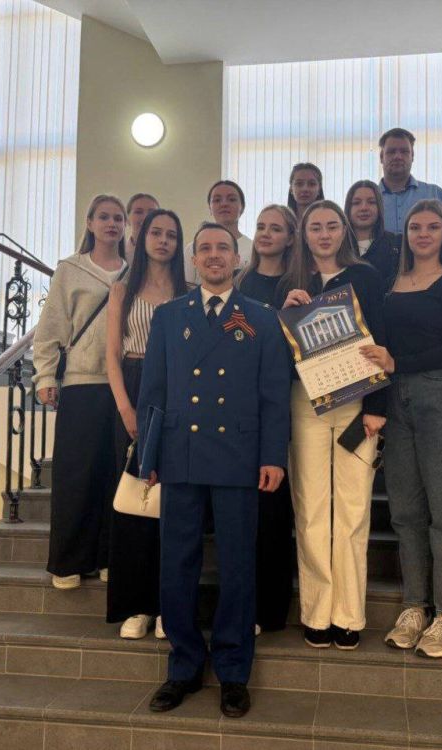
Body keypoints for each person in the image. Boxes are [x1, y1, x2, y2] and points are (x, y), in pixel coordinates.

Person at [139, 223, 291, 718]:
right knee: (176, 563)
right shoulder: (169, 316)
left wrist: (273, 455)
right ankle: (183, 666)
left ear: (237, 257)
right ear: (194, 259)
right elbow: (153, 391)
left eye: (222, 248)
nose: (213, 255)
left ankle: (232, 669)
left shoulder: (261, 317)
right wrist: (149, 457)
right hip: (180, 452)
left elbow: (274, 394)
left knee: (238, 565)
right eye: (204, 248)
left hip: (239, 453)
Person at [361, 199, 442, 658]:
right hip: (395, 399)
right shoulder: (391, 282)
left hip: (437, 395)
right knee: (406, 512)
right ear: (404, 234)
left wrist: (397, 362)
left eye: (432, 227)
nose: (423, 234)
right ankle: (414, 607)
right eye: (415, 227)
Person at [279, 200, 387, 651]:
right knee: (311, 510)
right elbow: (276, 355)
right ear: (303, 235)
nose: (323, 235)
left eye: (331, 226)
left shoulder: (367, 278)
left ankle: (348, 615)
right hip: (305, 404)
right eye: (315, 228)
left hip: (357, 404)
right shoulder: (290, 283)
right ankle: (316, 613)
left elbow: (382, 340)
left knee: (353, 508)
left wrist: (378, 407)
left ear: (344, 230)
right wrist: (282, 314)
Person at [34, 194, 129, 590]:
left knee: (115, 472)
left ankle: (108, 555)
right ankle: (69, 560)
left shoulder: (134, 271)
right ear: (90, 223)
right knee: (76, 473)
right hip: (82, 382)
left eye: (118, 218)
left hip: (125, 384)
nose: (112, 224)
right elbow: (51, 325)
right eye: (104, 217)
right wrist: (45, 377)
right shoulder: (70, 270)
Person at [105, 208, 188, 639]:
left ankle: (167, 606)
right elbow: (111, 355)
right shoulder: (123, 289)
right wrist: (125, 408)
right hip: (135, 386)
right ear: (142, 238)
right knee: (135, 502)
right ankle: (136, 606)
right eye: (156, 232)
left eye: (171, 235)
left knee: (171, 503)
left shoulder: (188, 292)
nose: (163, 240)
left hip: (177, 392)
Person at [237, 204, 297, 631]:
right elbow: (235, 336)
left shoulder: (299, 283)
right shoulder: (240, 282)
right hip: (242, 403)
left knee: (274, 508)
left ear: (291, 238)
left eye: (276, 228)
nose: (265, 234)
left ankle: (271, 609)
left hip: (284, 399)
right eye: (260, 227)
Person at [378, 128, 442, 234]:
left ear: (412, 156)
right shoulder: (368, 201)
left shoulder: (436, 194)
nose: (398, 156)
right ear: (381, 157)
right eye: (391, 152)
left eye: (404, 152)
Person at [184, 180, 252, 284]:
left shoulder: (253, 249)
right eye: (217, 200)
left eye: (231, 199)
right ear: (210, 208)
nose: (224, 204)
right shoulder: (192, 248)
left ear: (242, 207)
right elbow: (187, 287)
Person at [346, 179, 402, 285]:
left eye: (371, 202)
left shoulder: (396, 244)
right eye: (356, 203)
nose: (364, 208)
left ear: (379, 207)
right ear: (348, 208)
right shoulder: (337, 245)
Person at [126, 193, 160, 265]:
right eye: (138, 212)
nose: (145, 217)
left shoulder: (173, 254)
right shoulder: (117, 255)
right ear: (127, 219)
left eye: (152, 212)